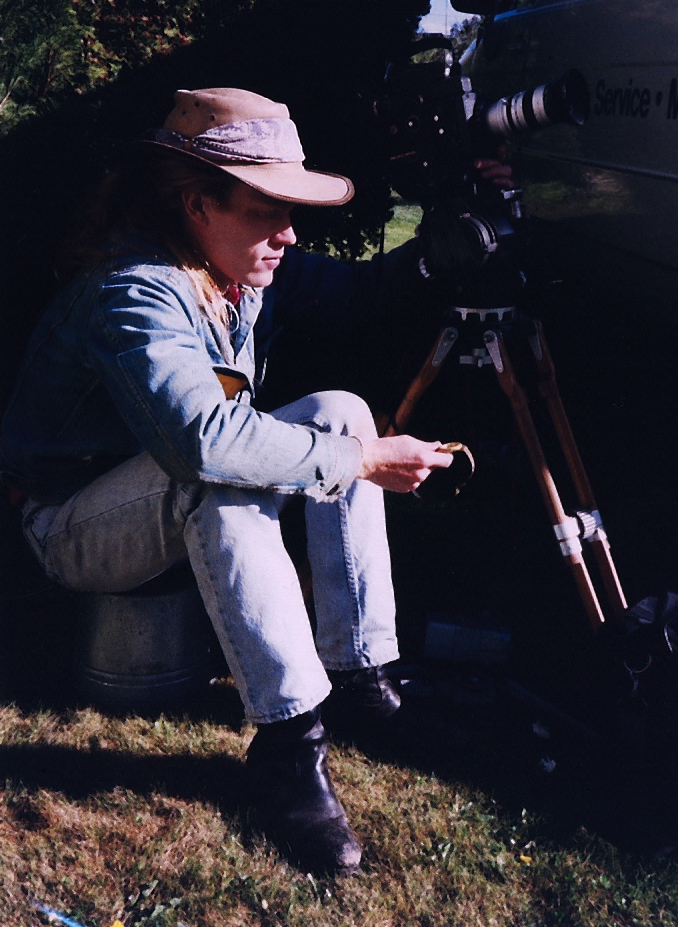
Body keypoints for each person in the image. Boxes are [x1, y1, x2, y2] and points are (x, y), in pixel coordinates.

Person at [0, 87, 511, 875]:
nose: (290, 231)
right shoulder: (135, 291)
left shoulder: (243, 263)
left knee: (341, 411)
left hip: (155, 500)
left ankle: (360, 680)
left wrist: (436, 248)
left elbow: (363, 294)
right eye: (269, 206)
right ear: (198, 204)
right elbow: (203, 441)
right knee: (219, 473)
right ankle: (287, 743)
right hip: (69, 525)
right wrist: (368, 463)